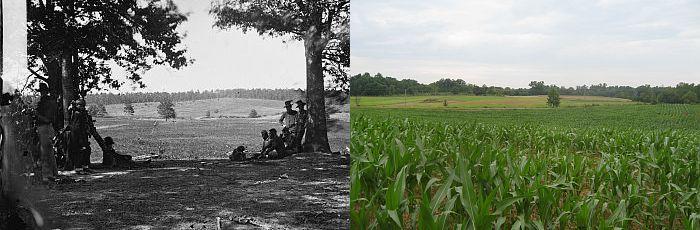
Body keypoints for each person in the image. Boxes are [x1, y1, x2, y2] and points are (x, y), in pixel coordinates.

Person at [35, 83, 58, 180]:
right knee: (50, 150)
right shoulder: (53, 101)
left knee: (44, 151)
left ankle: (47, 175)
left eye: (41, 92)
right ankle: (54, 172)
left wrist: (35, 114)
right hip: (50, 127)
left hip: (43, 126)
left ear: (43, 92)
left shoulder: (43, 102)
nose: (41, 94)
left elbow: (42, 116)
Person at [66, 98, 93, 174]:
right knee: (79, 151)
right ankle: (78, 168)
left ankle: (85, 167)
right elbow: (76, 127)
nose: (82, 107)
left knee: (86, 150)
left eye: (83, 105)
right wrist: (81, 138)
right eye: (80, 105)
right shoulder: (77, 114)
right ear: (77, 105)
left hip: (83, 135)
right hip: (77, 136)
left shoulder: (82, 113)